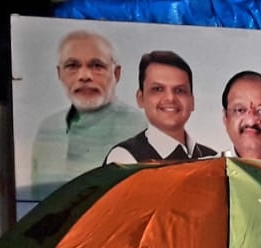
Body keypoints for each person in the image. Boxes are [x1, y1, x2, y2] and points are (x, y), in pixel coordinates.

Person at [30, 30, 146, 198]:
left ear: (116, 73)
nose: (84, 76)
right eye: (72, 66)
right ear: (60, 74)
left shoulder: (141, 128)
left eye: (96, 66)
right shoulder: (48, 128)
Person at [105, 51, 217, 163]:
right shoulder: (123, 158)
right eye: (158, 89)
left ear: (192, 101)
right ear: (141, 98)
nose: (170, 98)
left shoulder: (212, 158)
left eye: (180, 90)